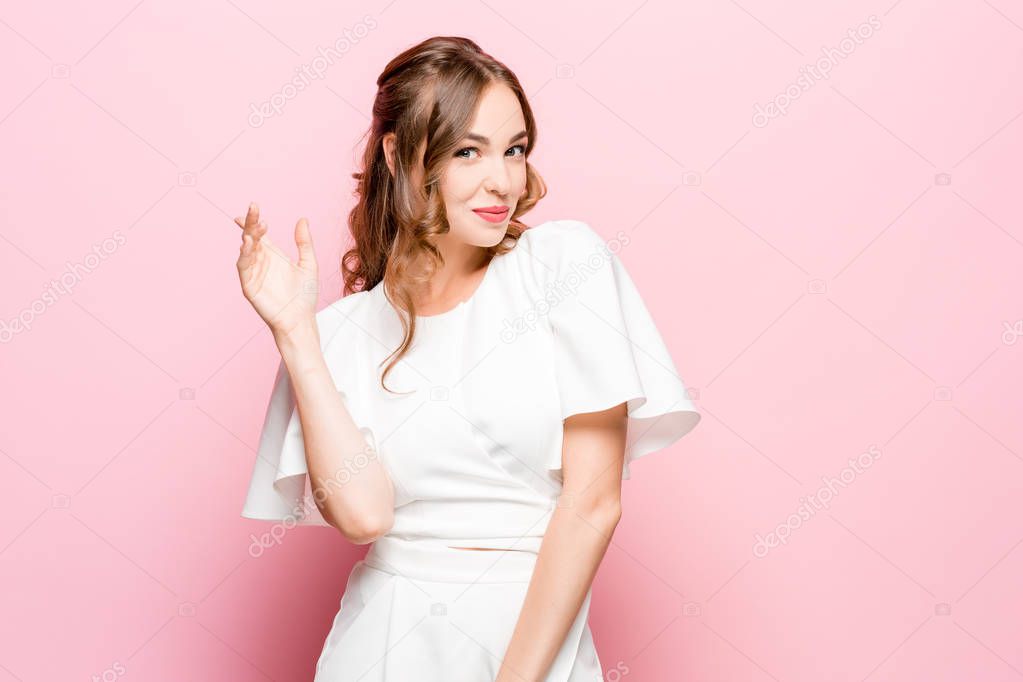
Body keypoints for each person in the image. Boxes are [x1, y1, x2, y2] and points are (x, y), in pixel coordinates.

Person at [236, 35, 700, 682]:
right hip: (381, 645)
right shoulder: (342, 331)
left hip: (530, 649)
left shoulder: (562, 269)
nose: (502, 181)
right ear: (398, 155)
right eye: (467, 151)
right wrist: (294, 334)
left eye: (513, 150)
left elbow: (592, 503)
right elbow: (364, 516)